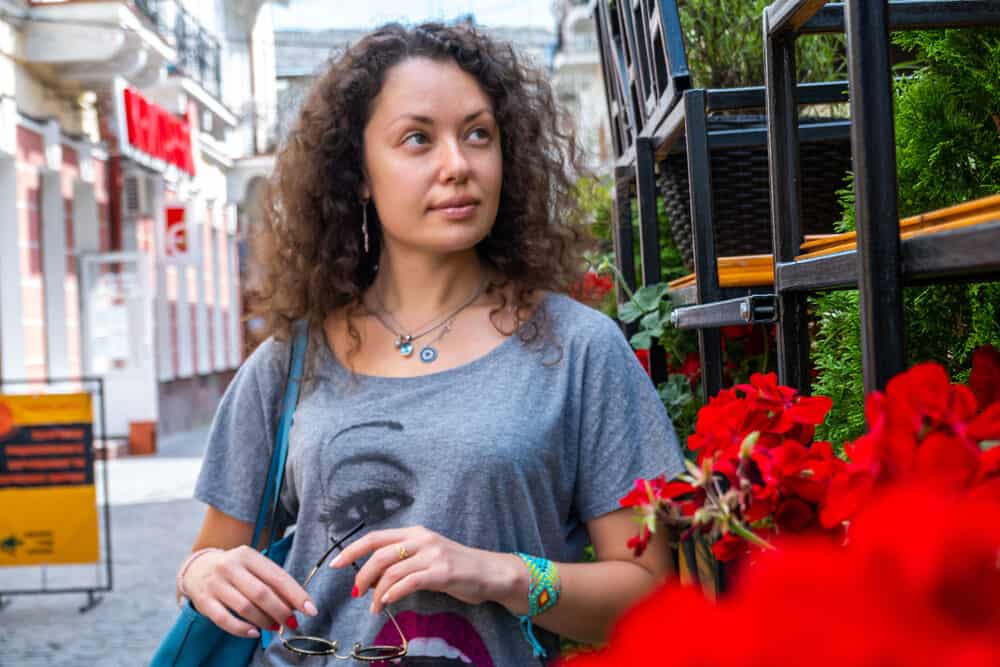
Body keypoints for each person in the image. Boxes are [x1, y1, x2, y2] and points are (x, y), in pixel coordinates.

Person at [175, 21, 684, 666]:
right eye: (417, 139)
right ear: (358, 173)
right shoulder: (290, 360)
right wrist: (200, 576)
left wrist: (498, 574)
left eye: (478, 134)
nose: (457, 165)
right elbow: (210, 555)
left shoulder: (579, 348)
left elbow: (649, 591)